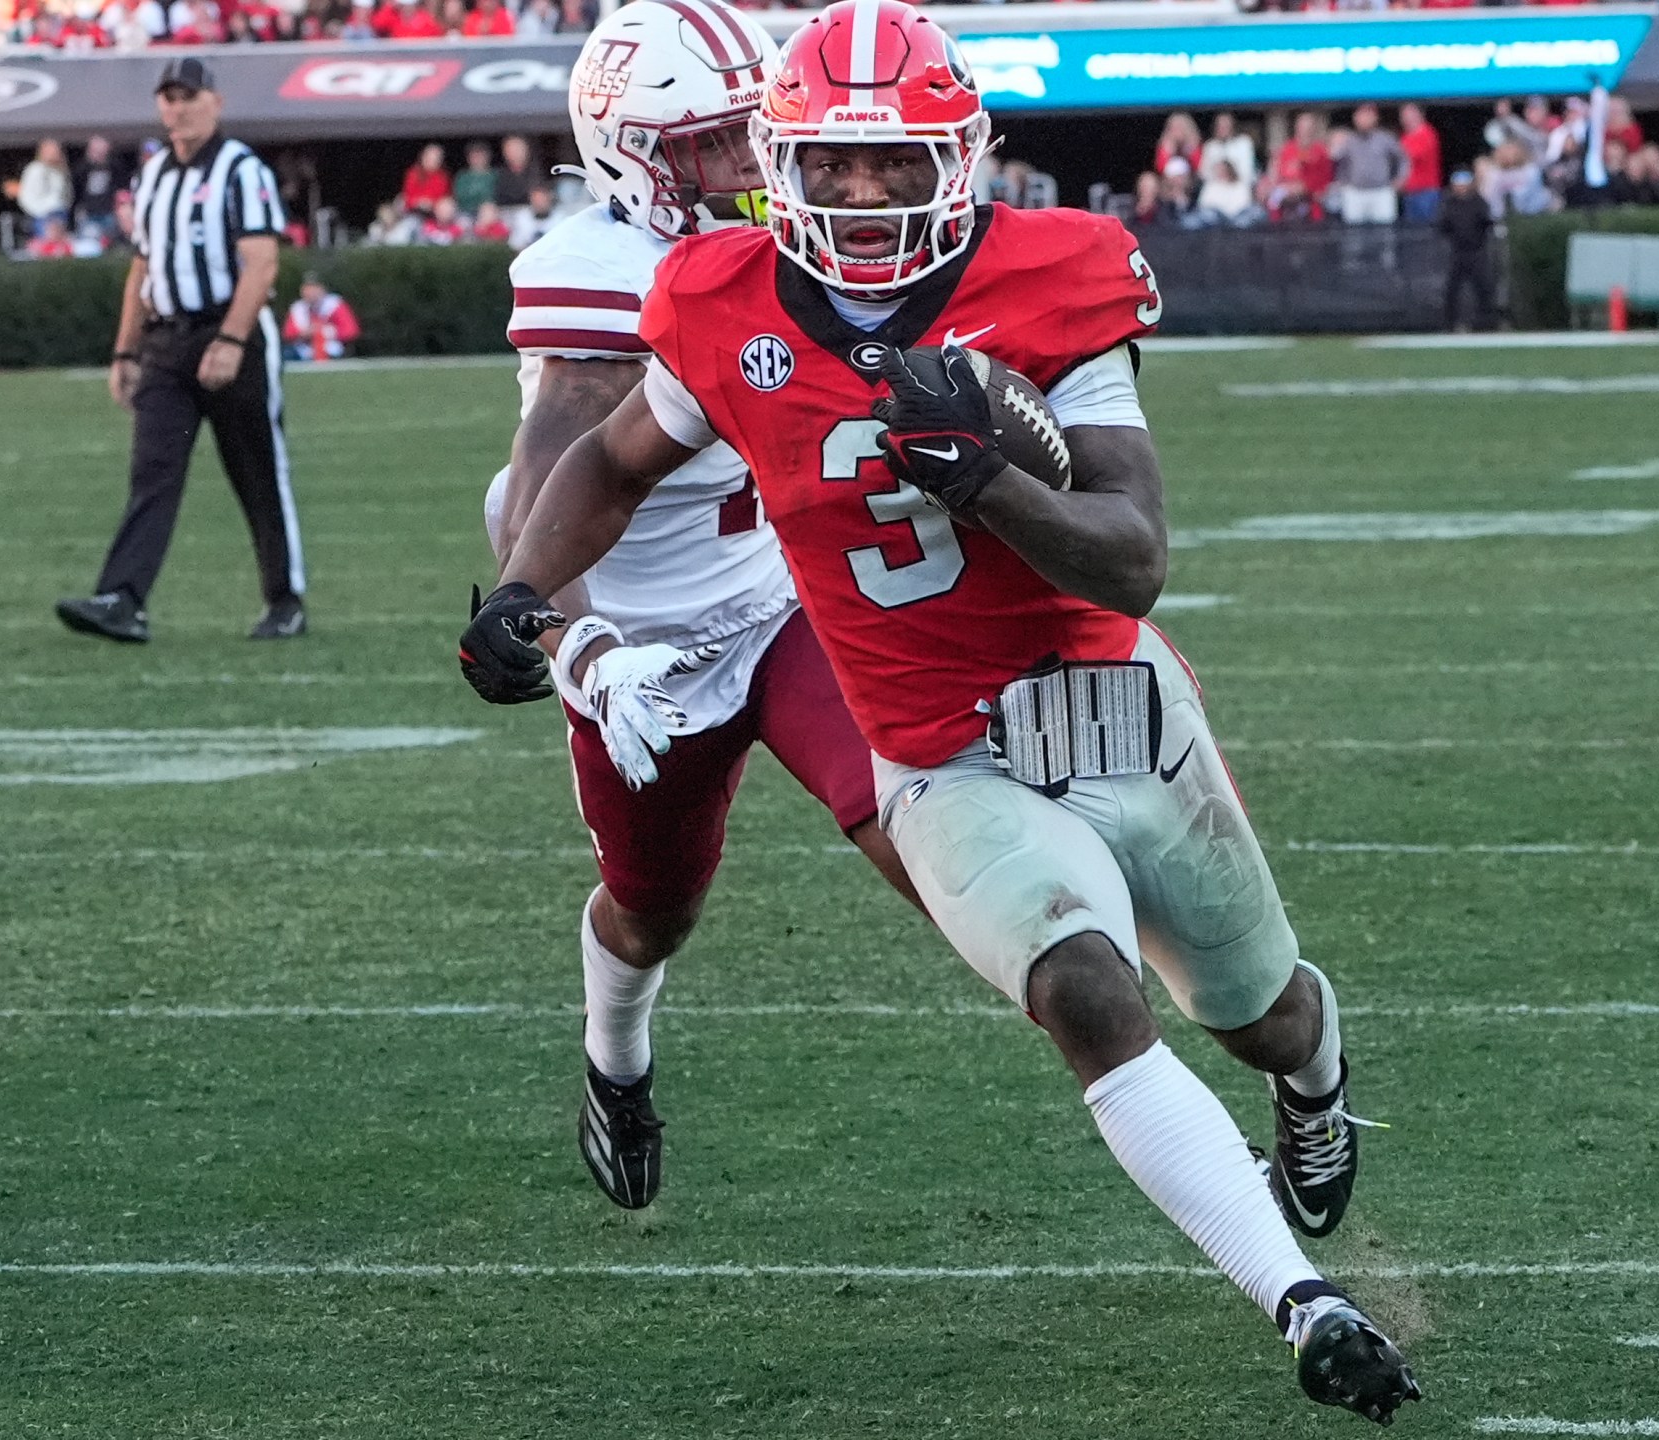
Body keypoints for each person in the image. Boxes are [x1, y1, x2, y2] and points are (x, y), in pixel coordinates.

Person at [474, 2, 1420, 1422]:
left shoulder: (1061, 275)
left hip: (1107, 703)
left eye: (896, 164)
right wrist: (524, 597)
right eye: (833, 164)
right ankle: (1304, 1301)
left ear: (960, 159)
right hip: (929, 743)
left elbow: (1137, 555)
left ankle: (1315, 1079)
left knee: (1262, 1014)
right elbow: (600, 457)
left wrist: (990, 478)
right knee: (1079, 989)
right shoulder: (713, 293)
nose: (861, 195)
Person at [471, 0, 917, 1210]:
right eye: (716, 145)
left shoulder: (792, 236)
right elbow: (546, 480)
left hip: (784, 606)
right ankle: (616, 1068)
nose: (751, 165)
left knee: (924, 835)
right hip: (645, 653)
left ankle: (1118, 1038)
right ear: (639, 159)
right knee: (652, 910)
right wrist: (574, 642)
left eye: (751, 133)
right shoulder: (600, 277)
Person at [57, 57, 304, 644]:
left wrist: (231, 339)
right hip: (166, 341)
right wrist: (124, 352)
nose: (176, 107)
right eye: (167, 97)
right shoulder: (152, 176)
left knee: (257, 471)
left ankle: (284, 598)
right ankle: (122, 599)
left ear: (214, 102)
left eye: (187, 95)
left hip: (228, 332)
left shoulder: (241, 169)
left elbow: (262, 263)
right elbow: (141, 268)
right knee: (153, 471)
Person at [1435, 168, 1493, 332]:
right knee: (1451, 290)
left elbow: (1486, 223)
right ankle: (1449, 324)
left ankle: (1486, 324)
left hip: (1477, 251)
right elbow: (1443, 227)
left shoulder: (1479, 203)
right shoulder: (1448, 204)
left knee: (1483, 288)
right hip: (1457, 252)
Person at [1332, 102, 1405, 224]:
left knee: (1384, 234)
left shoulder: (1385, 139)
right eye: (1360, 115)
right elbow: (1338, 162)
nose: (1364, 119)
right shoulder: (1348, 141)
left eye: (1367, 115)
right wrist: (1342, 183)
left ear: (1375, 117)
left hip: (1381, 193)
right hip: (1355, 193)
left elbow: (1402, 159)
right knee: (1354, 236)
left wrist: (1400, 180)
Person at [281, 272, 359, 361]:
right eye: (307, 288)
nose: (310, 292)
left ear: (322, 289)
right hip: (303, 349)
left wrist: (326, 331)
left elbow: (351, 331)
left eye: (314, 288)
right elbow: (288, 333)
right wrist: (304, 333)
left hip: (332, 348)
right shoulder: (298, 308)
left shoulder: (335, 304)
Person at [1397, 102, 1442, 223]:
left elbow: (1410, 156)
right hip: (1409, 194)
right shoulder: (1405, 137)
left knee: (1427, 230)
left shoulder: (1428, 134)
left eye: (1410, 114)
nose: (1406, 118)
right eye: (1404, 115)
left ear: (1420, 114)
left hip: (1425, 193)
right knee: (1412, 234)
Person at [71, 134, 121, 241]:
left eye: (102, 151)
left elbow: (119, 187)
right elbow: (76, 190)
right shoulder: (81, 169)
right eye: (96, 151)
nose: (99, 155)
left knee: (110, 241)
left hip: (108, 212)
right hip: (89, 213)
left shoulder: (114, 167)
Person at [18, 138, 71, 239]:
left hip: (60, 213)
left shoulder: (61, 171)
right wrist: (39, 212)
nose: (56, 154)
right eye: (52, 151)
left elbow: (67, 193)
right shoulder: (34, 169)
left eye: (57, 151)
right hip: (43, 216)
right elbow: (26, 195)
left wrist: (65, 206)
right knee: (46, 246)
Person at [401, 142, 450, 214]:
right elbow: (408, 195)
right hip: (414, 210)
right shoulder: (413, 173)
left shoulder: (443, 176)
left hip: (435, 212)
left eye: (436, 158)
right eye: (429, 157)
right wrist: (419, 202)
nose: (432, 161)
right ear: (423, 157)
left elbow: (443, 196)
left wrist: (431, 203)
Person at [452, 140, 496, 217]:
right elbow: (460, 197)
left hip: (490, 213)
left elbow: (495, 196)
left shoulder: (495, 175)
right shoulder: (462, 176)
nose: (478, 158)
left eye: (481, 155)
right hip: (465, 212)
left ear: (488, 156)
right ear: (468, 158)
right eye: (474, 155)